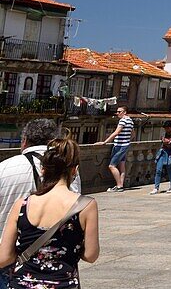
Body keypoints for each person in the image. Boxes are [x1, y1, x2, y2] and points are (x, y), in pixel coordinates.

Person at [0, 137, 99, 288]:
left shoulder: (22, 205)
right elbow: (91, 255)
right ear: (75, 170)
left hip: (22, 283)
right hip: (63, 283)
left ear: (43, 169)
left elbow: (4, 257)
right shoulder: (86, 205)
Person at [0, 120, 83, 254]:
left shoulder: (4, 168)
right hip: (56, 256)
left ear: (25, 141)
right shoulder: (68, 170)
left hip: (6, 253)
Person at [94, 106, 133, 192]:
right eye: (117, 112)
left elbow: (116, 132)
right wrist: (128, 140)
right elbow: (133, 133)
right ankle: (121, 185)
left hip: (120, 145)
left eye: (120, 112)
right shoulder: (130, 120)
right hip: (125, 144)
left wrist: (105, 142)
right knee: (122, 165)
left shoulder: (123, 120)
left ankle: (119, 186)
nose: (117, 113)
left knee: (112, 166)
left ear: (125, 112)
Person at [150, 120, 171, 194]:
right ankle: (156, 187)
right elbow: (162, 141)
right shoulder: (163, 134)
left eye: (167, 128)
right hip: (163, 152)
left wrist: (170, 142)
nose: (166, 129)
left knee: (169, 168)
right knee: (158, 170)